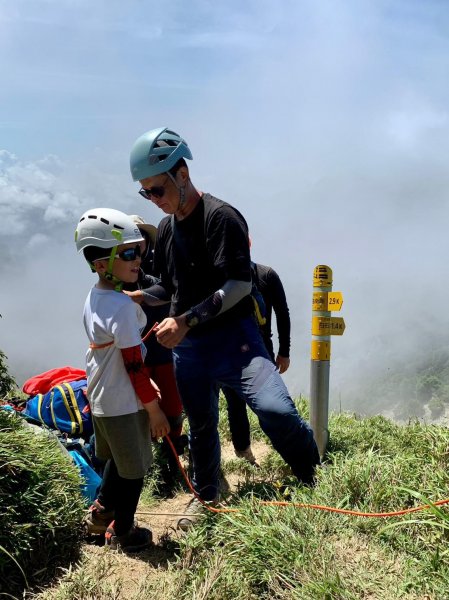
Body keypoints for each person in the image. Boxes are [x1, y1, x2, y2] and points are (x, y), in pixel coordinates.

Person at [129, 127, 320, 530]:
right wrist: (143, 299)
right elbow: (170, 284)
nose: (154, 200)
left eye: (157, 190)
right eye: (146, 193)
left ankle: (314, 474)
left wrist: (184, 321)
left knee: (274, 410)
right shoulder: (165, 229)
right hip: (190, 350)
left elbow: (237, 285)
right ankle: (207, 494)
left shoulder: (221, 218)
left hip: (235, 341)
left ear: (182, 174)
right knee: (201, 424)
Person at [75, 207, 170, 552]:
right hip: (124, 403)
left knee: (119, 462)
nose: (138, 261)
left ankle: (97, 519)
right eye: (128, 254)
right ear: (101, 263)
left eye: (140, 252)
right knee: (134, 472)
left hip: (102, 399)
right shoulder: (122, 309)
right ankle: (126, 533)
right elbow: (133, 367)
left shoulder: (96, 297)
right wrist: (155, 410)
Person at [123, 215, 187, 480]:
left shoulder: (152, 278)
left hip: (161, 354)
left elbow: (171, 294)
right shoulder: (117, 285)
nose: (138, 249)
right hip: (135, 357)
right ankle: (149, 462)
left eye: (141, 240)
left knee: (171, 409)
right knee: (140, 412)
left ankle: (171, 458)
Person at [223, 260, 291, 465]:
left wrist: (284, 352)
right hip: (227, 349)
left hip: (261, 348)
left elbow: (282, 313)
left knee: (271, 403)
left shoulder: (266, 275)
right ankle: (243, 452)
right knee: (235, 404)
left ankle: (284, 452)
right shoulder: (221, 278)